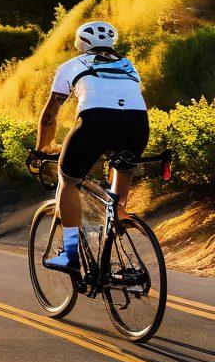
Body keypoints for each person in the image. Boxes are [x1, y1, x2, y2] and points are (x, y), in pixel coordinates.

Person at [34, 20, 148, 272]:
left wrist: (42, 148)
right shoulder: (130, 67)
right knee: (123, 163)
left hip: (95, 123)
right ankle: (118, 213)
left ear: (80, 44)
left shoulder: (70, 66)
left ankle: (70, 254)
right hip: (137, 125)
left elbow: (50, 114)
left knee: (68, 182)